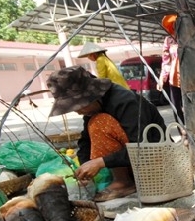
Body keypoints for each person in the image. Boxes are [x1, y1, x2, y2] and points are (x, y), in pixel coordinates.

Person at [46, 65, 166, 202]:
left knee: (100, 123)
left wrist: (100, 162)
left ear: (92, 96)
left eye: (79, 106)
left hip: (156, 161)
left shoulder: (125, 101)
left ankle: (124, 182)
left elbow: (142, 147)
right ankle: (126, 179)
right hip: (135, 164)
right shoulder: (95, 107)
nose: (79, 112)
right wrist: (84, 168)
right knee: (94, 123)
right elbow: (85, 141)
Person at [159, 14, 185, 123]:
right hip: (174, 80)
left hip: (189, 78)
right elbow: (166, 61)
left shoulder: (187, 37)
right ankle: (182, 131)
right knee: (176, 107)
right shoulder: (168, 40)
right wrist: (162, 78)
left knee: (191, 106)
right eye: (173, 23)